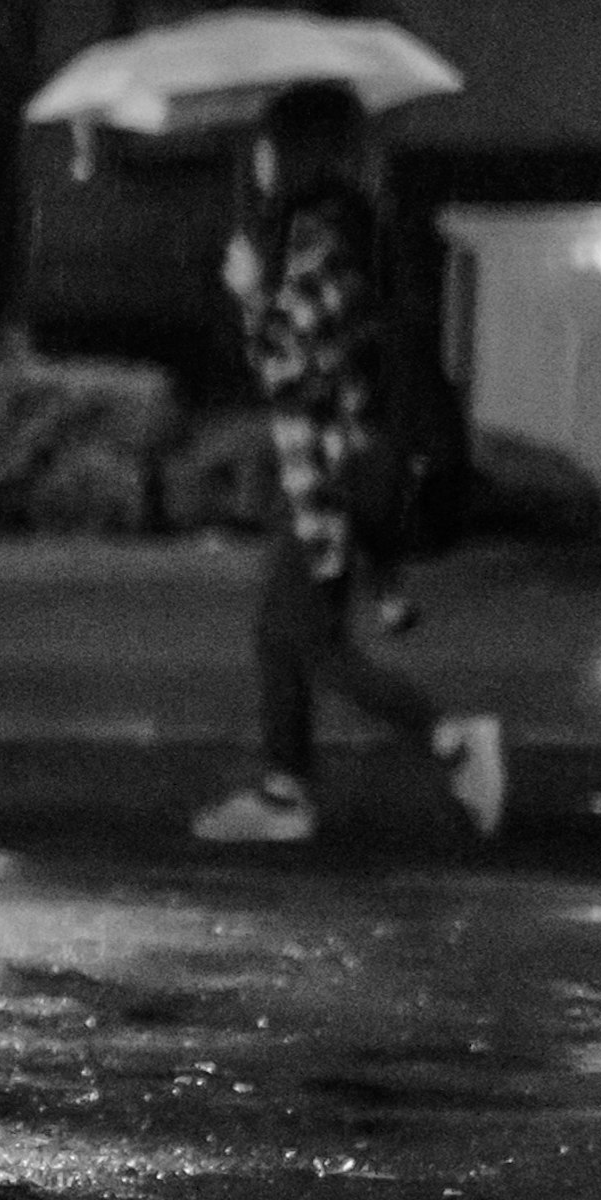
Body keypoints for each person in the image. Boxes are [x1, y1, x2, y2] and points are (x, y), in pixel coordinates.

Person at [190, 81, 504, 851]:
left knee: (305, 637)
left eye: (267, 144)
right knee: (281, 630)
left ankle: (452, 737)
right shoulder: (327, 232)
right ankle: (283, 791)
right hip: (323, 471)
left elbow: (292, 363)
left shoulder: (326, 238)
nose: (257, 160)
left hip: (332, 475)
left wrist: (251, 294)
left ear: (294, 152)